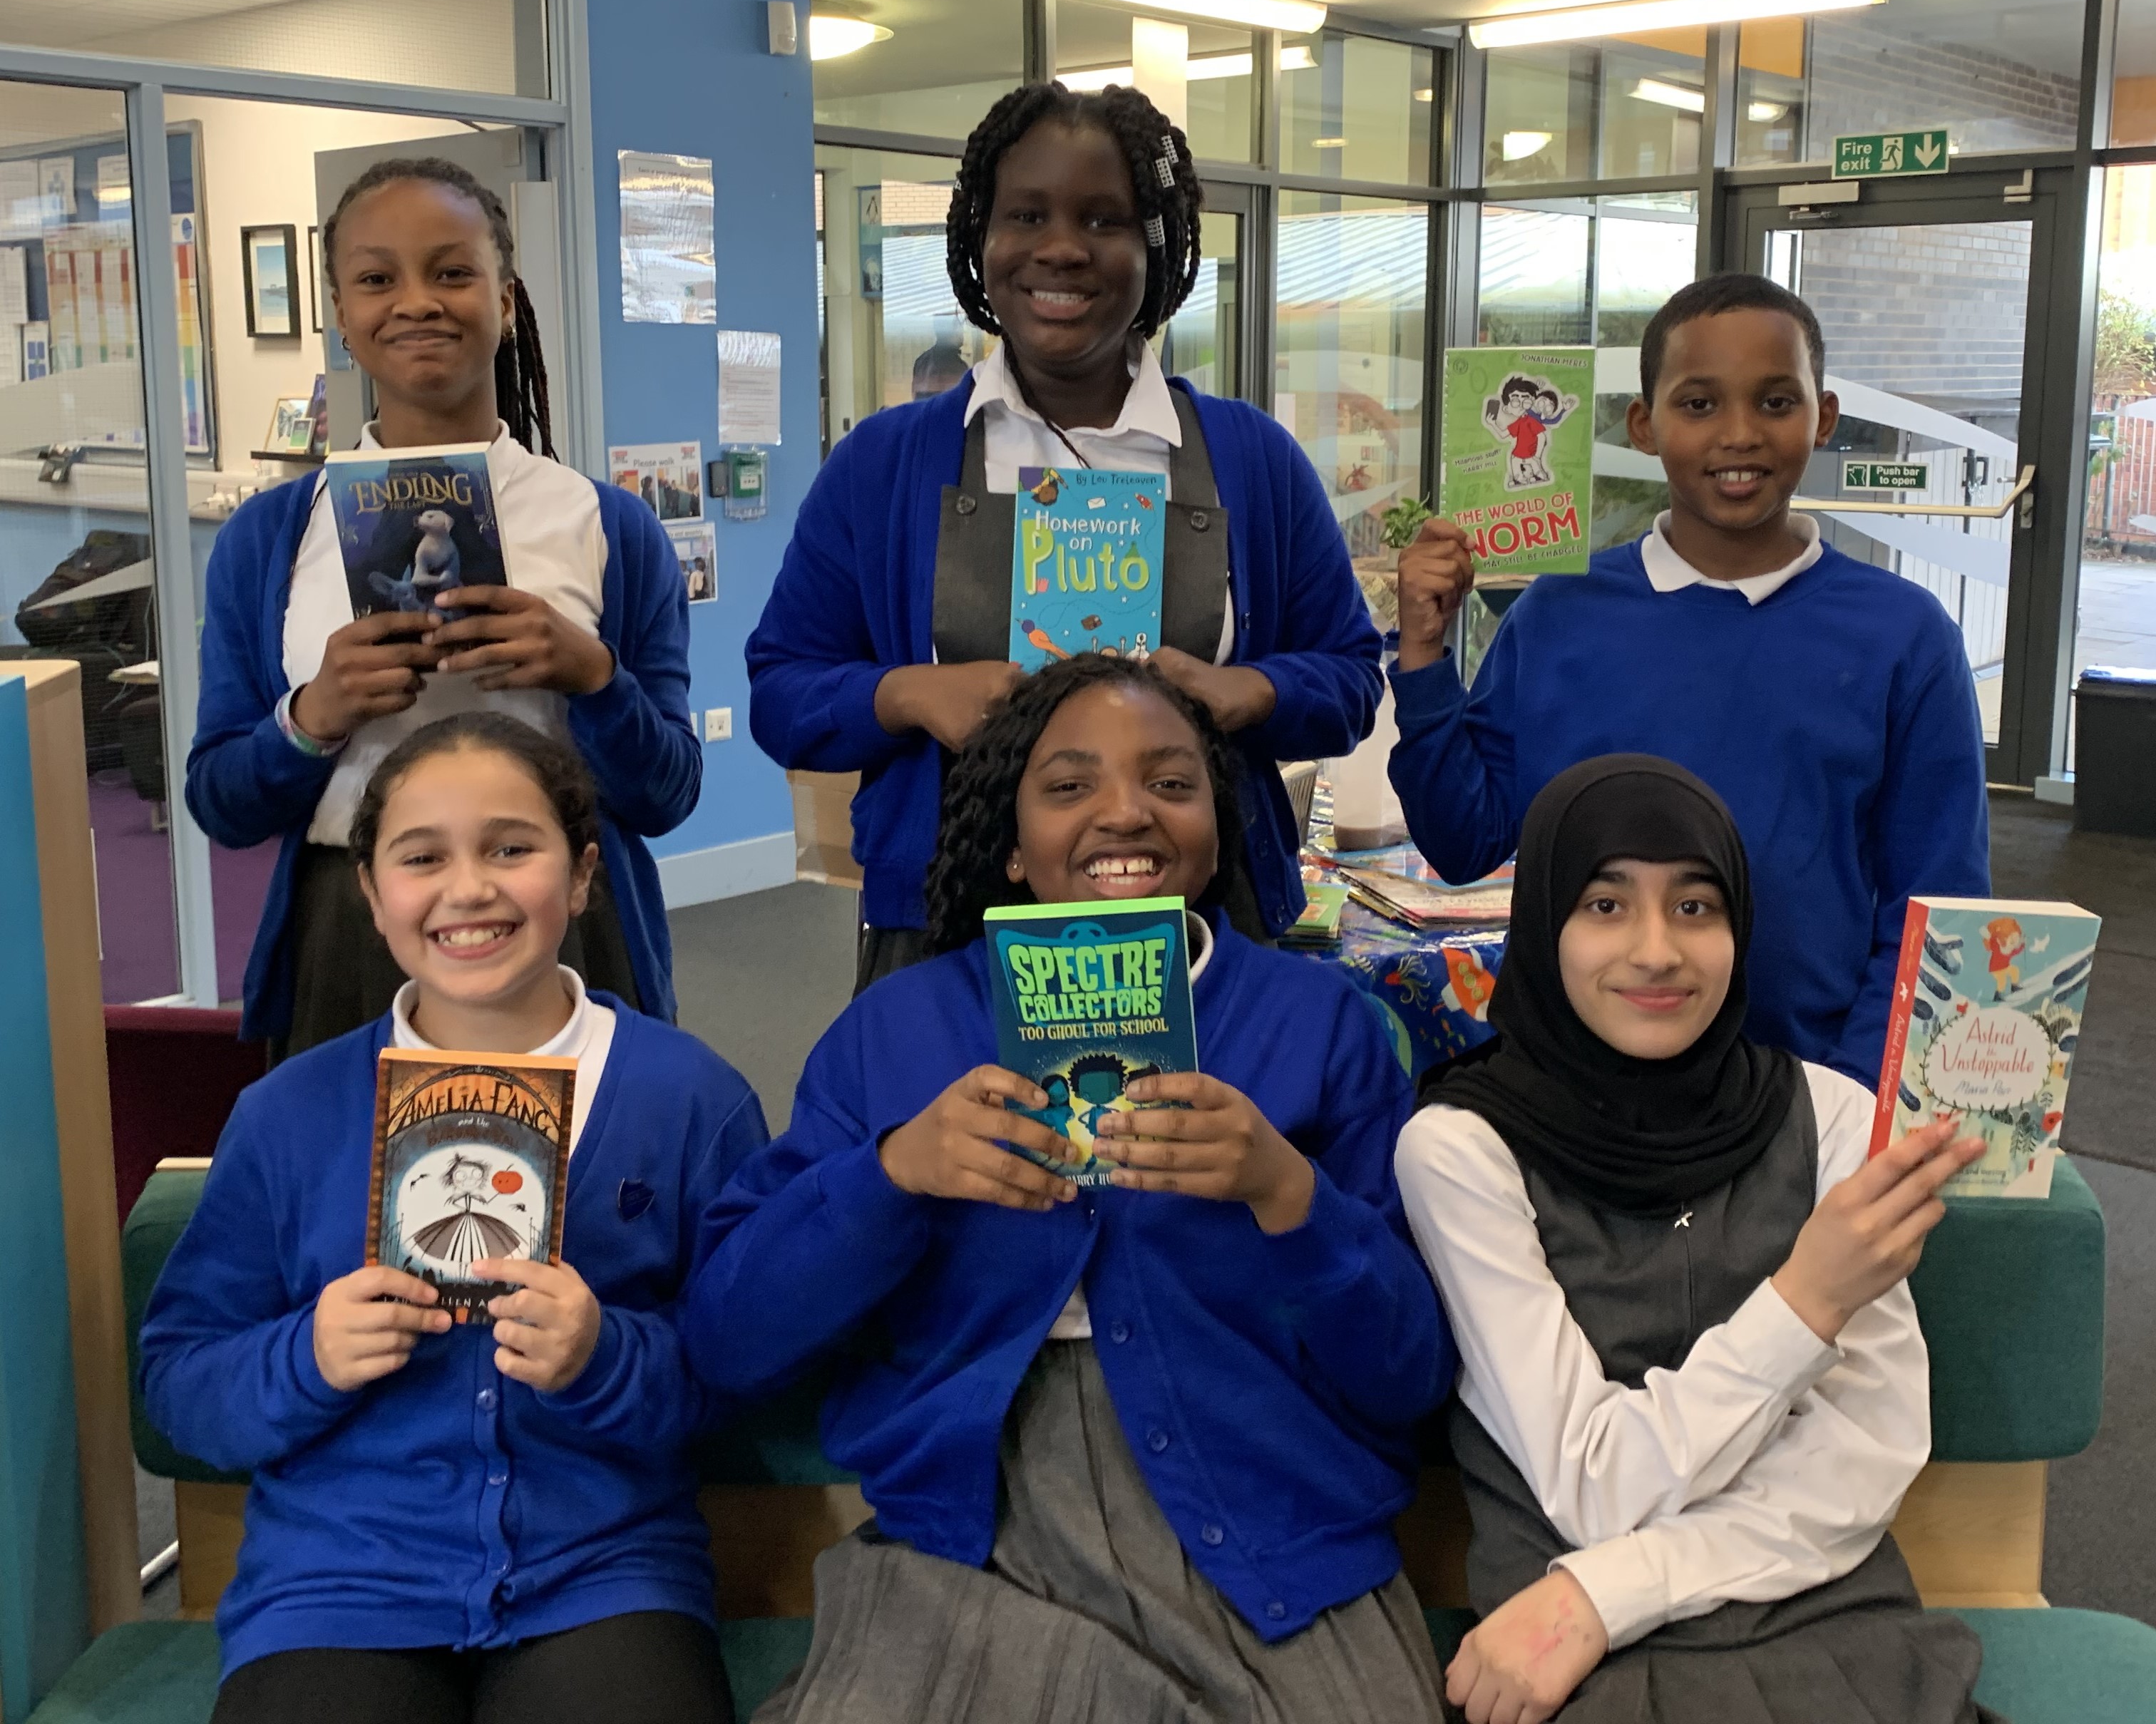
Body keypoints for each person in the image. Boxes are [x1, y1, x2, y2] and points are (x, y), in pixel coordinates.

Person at [684, 655, 1454, 1723]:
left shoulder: (1316, 1024)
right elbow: (729, 1338)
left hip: (1269, 1517)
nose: (1126, 813)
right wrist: (893, 1176)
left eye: (1173, 784)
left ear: (1219, 825)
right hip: (971, 1539)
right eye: (1069, 785)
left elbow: (1410, 1376)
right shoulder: (897, 1032)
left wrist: (1290, 1196)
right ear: (1008, 840)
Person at [142, 714, 766, 1724]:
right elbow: (177, 1380)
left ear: (579, 876)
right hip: (338, 1585)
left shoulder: (688, 1099)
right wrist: (311, 1356)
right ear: (371, 892)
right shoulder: (290, 1114)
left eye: (512, 848)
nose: (468, 888)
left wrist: (604, 1356)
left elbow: (744, 1370)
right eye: (422, 857)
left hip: (600, 1573)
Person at [1395, 754, 1995, 1724]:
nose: (1656, 951)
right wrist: (1808, 1301)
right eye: (1603, 905)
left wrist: (1609, 1592)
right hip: (1571, 1664)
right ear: (1543, 921)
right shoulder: (1461, 1148)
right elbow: (1591, 1487)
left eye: (1694, 908)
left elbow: (1867, 1454)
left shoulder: (1830, 1117)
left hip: (1819, 1622)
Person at [749, 82, 1382, 992]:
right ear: (981, 237)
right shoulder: (882, 465)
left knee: (1194, 1138)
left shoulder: (1255, 461)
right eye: (1027, 215)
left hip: (1206, 925)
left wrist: (1247, 691)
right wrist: (911, 694)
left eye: (1103, 220)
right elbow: (782, 692)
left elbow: (1352, 677)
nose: (1060, 248)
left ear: (1152, 244)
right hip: (943, 932)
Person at [1389, 272, 1987, 1082]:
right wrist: (1425, 657)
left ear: (1826, 417)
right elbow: (1464, 844)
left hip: (1805, 1086)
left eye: (1777, 402)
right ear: (1643, 425)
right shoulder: (1559, 613)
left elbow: (1938, 906)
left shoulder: (1906, 638)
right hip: (1576, 1091)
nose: (1738, 434)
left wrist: (1847, 1101)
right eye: (1699, 404)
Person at [187, 157, 700, 1055]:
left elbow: (667, 794)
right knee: (355, 1191)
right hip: (352, 931)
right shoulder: (271, 540)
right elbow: (222, 803)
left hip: (565, 932)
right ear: (342, 316)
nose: (416, 301)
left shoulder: (607, 525)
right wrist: (314, 717)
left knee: (585, 1183)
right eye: (377, 278)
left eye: (453, 272)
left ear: (507, 301)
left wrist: (592, 676)